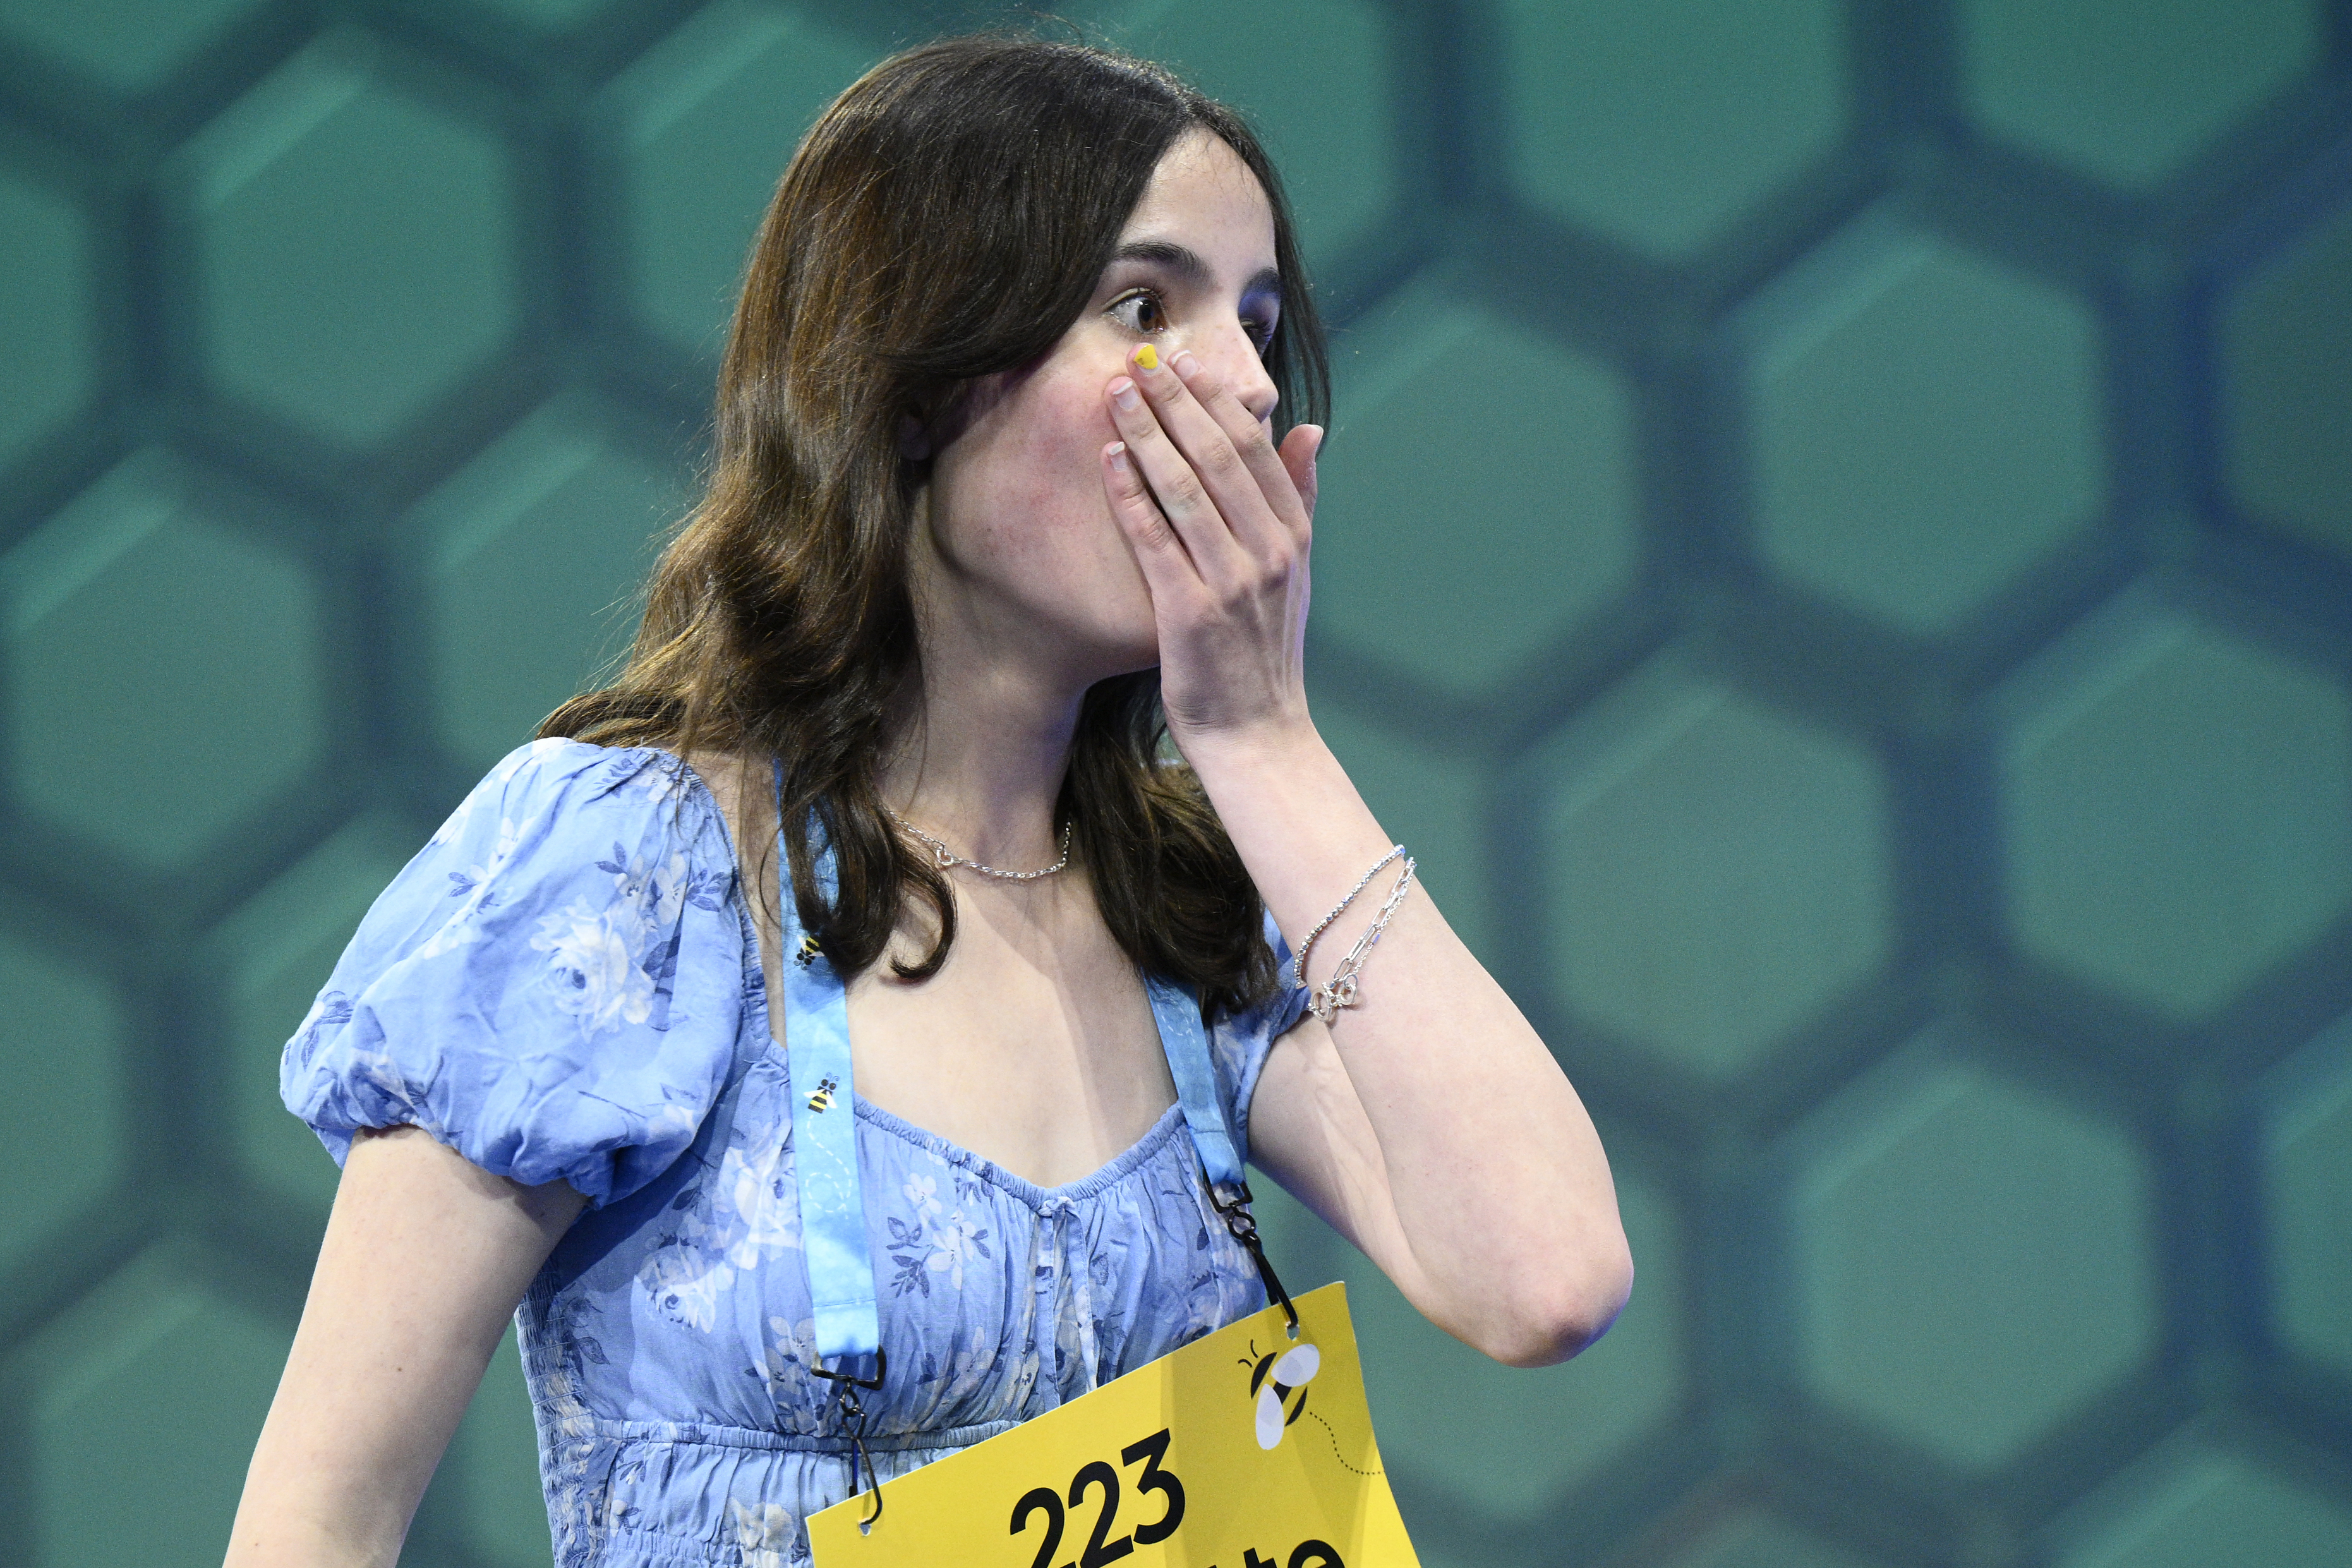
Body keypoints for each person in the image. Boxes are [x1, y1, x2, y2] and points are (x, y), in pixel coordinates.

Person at [224, 33, 1631, 1568]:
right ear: (910, 386)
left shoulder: (1189, 906)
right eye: (1144, 308)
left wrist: (1261, 735)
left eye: (1259, 324)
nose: (1239, 387)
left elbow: (1546, 1277)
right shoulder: (630, 866)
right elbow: (318, 1518)